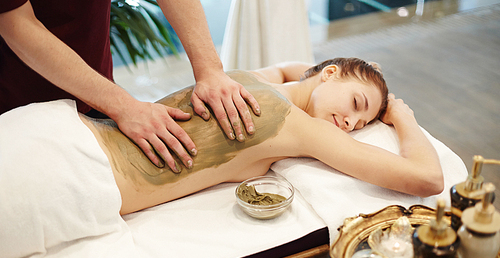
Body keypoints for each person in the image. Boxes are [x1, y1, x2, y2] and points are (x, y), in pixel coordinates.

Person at [73, 57, 443, 214]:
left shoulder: (243, 79)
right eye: (357, 103)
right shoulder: (292, 124)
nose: (351, 124)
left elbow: (288, 70)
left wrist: (334, 74)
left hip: (73, 129)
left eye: (361, 125)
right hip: (83, 174)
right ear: (329, 74)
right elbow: (428, 178)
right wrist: (403, 117)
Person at [0, 0, 260, 171]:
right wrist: (123, 106)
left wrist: (210, 69)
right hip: (16, 108)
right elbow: (16, 24)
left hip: (94, 93)